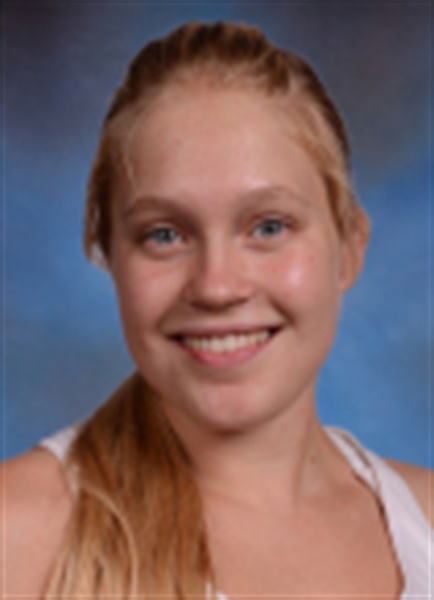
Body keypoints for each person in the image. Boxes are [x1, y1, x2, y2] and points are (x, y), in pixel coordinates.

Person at [2, 21, 432, 600]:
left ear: (350, 248)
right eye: (164, 235)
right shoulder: (18, 534)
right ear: (108, 255)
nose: (217, 286)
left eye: (269, 227)